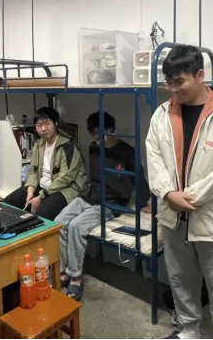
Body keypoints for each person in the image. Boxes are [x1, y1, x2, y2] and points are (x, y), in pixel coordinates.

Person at [146, 45, 213, 340]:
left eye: (180, 81)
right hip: (173, 215)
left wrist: (188, 197)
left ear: (200, 75)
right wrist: (167, 194)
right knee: (180, 279)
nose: (173, 89)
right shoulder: (162, 114)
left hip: (212, 218)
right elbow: (153, 158)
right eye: (168, 82)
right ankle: (189, 330)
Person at [56, 112, 150, 301]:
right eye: (93, 133)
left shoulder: (127, 152)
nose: (97, 137)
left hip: (111, 201)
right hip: (90, 195)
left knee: (76, 226)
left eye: (101, 132)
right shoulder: (93, 148)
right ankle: (64, 270)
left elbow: (139, 178)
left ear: (111, 129)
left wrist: (143, 202)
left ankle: (75, 277)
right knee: (59, 222)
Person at [4, 107, 88, 221]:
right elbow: (33, 170)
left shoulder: (68, 146)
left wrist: (40, 196)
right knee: (7, 204)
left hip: (66, 189)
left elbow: (66, 178)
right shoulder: (38, 144)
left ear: (56, 123)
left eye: (47, 124)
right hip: (43, 186)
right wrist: (30, 190)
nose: (43, 129)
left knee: (40, 215)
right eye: (39, 125)